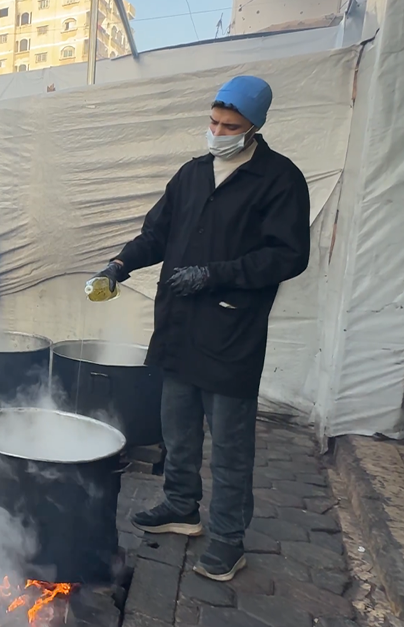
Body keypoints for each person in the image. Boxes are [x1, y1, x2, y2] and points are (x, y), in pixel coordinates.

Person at [88, 76, 309, 582]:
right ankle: (181, 507)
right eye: (213, 122)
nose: (218, 131)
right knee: (177, 428)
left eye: (230, 126)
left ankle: (229, 539)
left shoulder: (279, 179)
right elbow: (156, 234)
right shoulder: (192, 174)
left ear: (254, 127)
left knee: (230, 443)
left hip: (231, 329)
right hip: (179, 324)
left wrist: (217, 273)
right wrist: (118, 266)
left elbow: (288, 255)